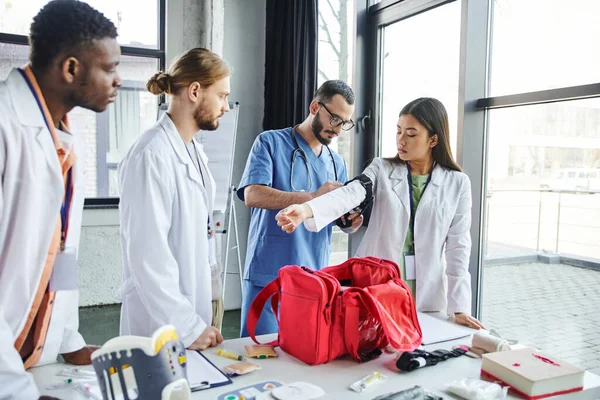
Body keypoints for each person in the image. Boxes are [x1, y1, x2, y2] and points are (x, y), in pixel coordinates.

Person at [276, 97, 485, 329]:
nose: (401, 140)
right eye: (398, 131)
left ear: (433, 139)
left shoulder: (457, 183)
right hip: (376, 286)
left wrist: (460, 307)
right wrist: (307, 209)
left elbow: (458, 247)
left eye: (411, 134)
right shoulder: (381, 168)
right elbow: (351, 193)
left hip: (427, 295)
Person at [0, 1, 122, 398]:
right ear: (71, 69)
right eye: (110, 68)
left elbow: (62, 254)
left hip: (31, 357)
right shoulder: (5, 125)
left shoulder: (64, 137)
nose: (117, 80)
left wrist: (68, 339)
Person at [118, 48, 230, 351]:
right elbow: (147, 253)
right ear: (195, 91)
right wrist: (187, 326)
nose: (226, 107)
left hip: (191, 307)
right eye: (221, 96)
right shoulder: (151, 154)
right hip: (161, 323)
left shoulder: (194, 151)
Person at [238, 80, 359, 337]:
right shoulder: (270, 142)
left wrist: (347, 222)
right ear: (315, 107)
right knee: (258, 354)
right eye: (335, 119)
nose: (338, 129)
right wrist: (312, 197)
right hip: (269, 273)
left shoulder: (337, 164)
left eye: (345, 123)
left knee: (303, 356)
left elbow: (333, 215)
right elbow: (252, 194)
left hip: (313, 277)